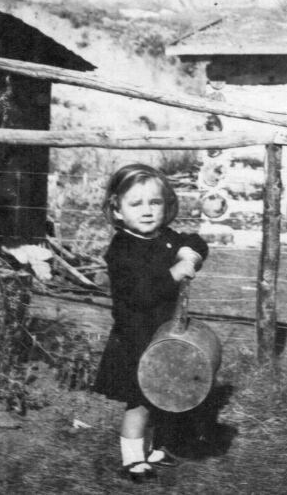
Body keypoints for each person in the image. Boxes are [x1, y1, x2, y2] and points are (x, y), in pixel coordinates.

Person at [93, 163, 208, 482]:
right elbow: (140, 293)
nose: (146, 211)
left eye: (154, 203)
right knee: (141, 401)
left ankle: (159, 447)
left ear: (167, 205)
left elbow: (197, 242)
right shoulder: (122, 250)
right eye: (136, 204)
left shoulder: (167, 239)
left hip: (166, 336)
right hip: (136, 339)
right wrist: (173, 273)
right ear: (117, 210)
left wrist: (188, 255)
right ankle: (132, 458)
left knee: (167, 395)